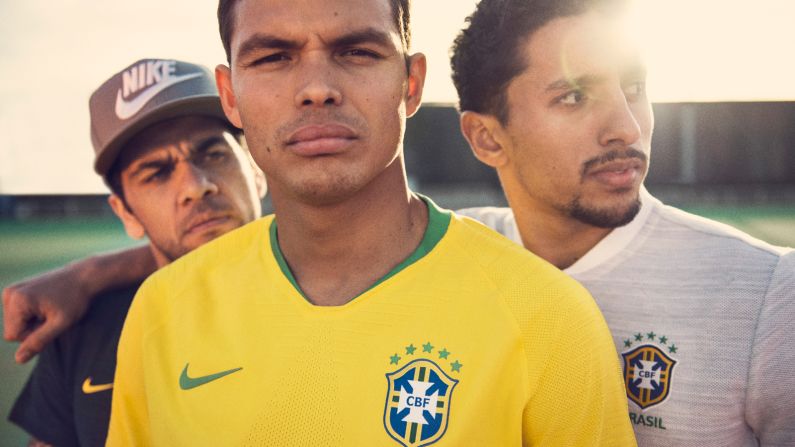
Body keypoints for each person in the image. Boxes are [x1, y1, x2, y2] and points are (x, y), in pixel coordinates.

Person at [102, 0, 636, 445]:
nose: (316, 87)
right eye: (272, 57)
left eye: (356, 51)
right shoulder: (161, 311)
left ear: (411, 82)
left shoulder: (546, 317)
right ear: (229, 96)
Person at [450, 0, 795, 445]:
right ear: (487, 138)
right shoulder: (457, 256)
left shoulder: (767, 292)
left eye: (633, 86)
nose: (627, 127)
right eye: (574, 96)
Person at [7, 58, 266, 447]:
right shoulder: (83, 331)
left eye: (213, 155)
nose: (195, 186)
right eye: (157, 172)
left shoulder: (333, 292)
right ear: (126, 213)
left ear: (257, 170)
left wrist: (88, 273)